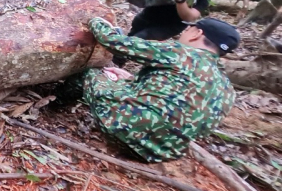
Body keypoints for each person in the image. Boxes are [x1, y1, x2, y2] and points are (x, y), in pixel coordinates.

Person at [79, 16, 239, 162]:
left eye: (187, 29)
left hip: (121, 129)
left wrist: (93, 19)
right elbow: (176, 99)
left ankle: (57, 100)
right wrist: (130, 79)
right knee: (119, 84)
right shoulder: (227, 89)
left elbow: (113, 41)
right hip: (157, 154)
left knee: (92, 72)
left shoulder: (180, 52)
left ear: (197, 33)